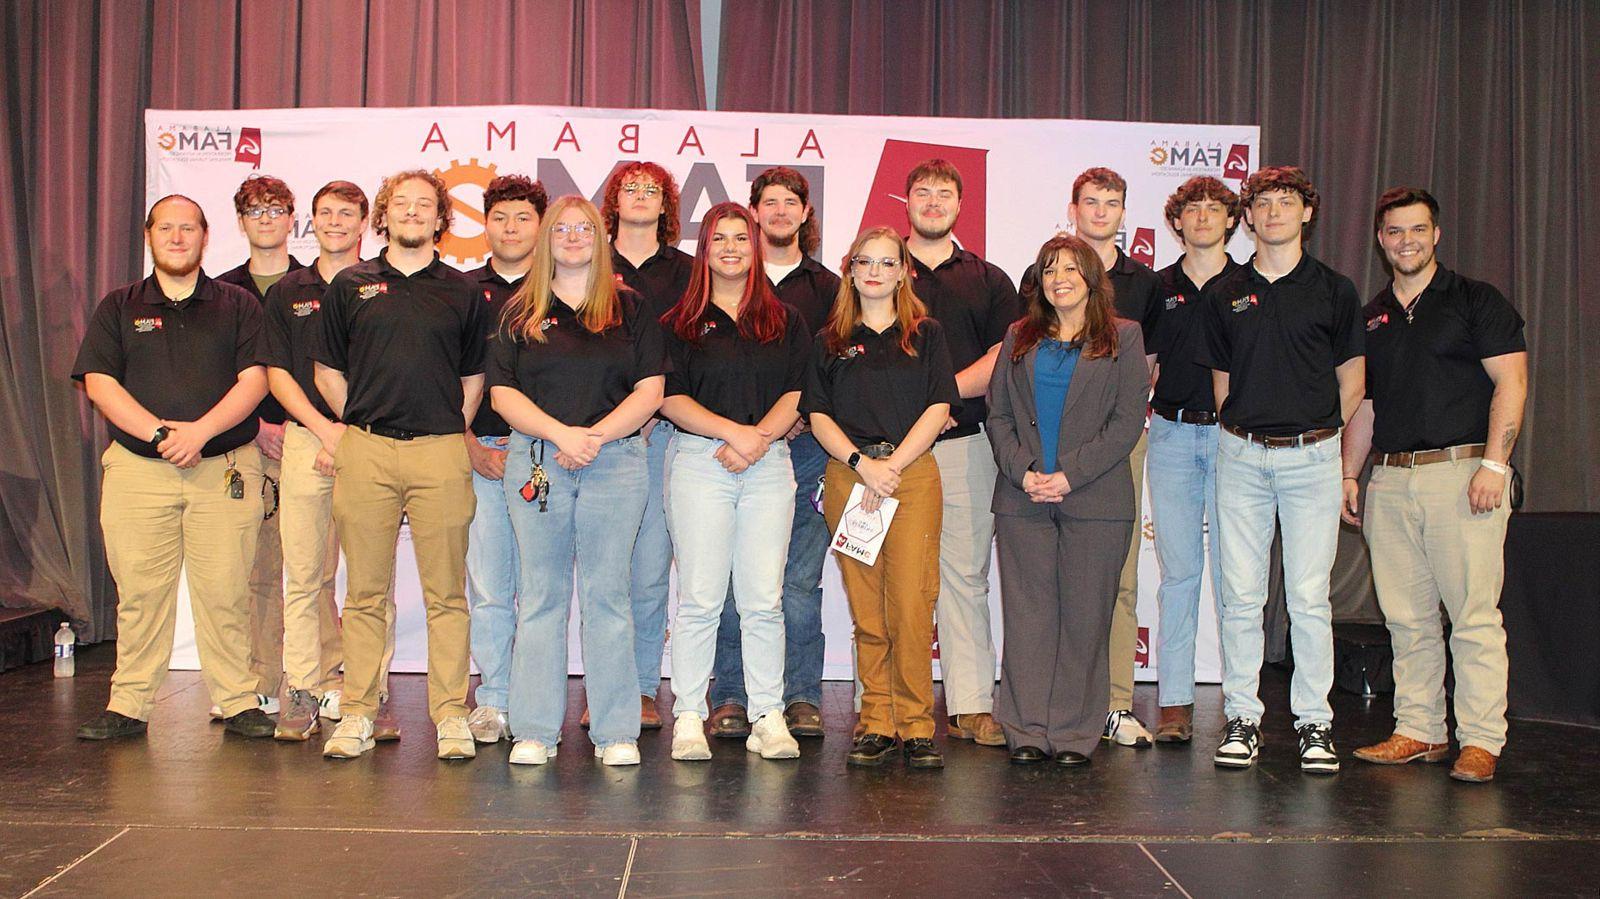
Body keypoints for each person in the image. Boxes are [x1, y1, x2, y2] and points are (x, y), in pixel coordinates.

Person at [1342, 188, 1527, 784]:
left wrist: (1494, 466)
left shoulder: (1475, 300)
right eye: (1395, 232)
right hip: (1392, 481)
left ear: (1436, 234)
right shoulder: (1373, 316)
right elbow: (1367, 405)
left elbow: (1513, 383)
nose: (1406, 241)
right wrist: (1350, 471)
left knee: (1473, 616)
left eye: (1417, 230)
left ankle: (1480, 739)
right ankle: (1420, 729)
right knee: (1407, 619)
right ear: (1381, 239)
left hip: (1464, 473)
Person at [73, 195, 274, 740]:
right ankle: (130, 705)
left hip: (224, 468)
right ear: (149, 235)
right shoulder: (118, 305)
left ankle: (236, 701)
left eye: (189, 228)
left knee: (227, 592)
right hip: (139, 471)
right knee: (139, 595)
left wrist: (200, 432)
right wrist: (161, 434)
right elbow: (99, 382)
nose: (178, 237)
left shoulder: (238, 304)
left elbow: (255, 379)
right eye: (168, 228)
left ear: (206, 236)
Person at [313, 169, 487, 761]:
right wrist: (364, 422)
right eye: (401, 204)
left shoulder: (464, 291)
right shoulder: (350, 285)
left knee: (447, 595)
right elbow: (328, 371)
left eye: (425, 204)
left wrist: (443, 427)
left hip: (440, 451)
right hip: (364, 450)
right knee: (363, 593)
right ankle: (358, 711)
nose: (413, 212)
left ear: (442, 218)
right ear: (384, 216)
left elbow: (473, 379)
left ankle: (451, 715)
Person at [488, 196, 668, 767]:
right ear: (546, 241)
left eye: (582, 228)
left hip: (615, 463)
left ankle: (615, 731)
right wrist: (562, 436)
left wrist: (593, 438)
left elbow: (651, 391)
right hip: (539, 459)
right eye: (560, 229)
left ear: (600, 237)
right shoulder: (519, 310)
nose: (571, 237)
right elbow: (502, 394)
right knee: (540, 597)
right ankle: (535, 730)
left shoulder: (631, 307)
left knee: (608, 595)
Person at [1197, 166, 1364, 774]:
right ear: (1248, 216)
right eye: (1262, 202)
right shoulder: (1225, 291)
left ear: (1306, 213)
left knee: (1308, 597)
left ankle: (1314, 723)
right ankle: (1243, 717)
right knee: (1240, 597)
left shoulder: (1335, 290)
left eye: (1285, 201)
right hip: (1240, 455)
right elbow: (1222, 379)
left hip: (1312, 458)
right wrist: (1245, 431)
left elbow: (1353, 380)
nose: (1272, 212)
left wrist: (1317, 437)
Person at [988, 233, 1149, 766]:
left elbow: (1127, 422)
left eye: (1071, 270)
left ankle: (1075, 734)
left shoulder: (1124, 337)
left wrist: (1069, 475)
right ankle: (1027, 729)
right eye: (1050, 269)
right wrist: (1026, 470)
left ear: (1091, 280)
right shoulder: (1019, 336)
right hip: (1024, 496)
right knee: (1029, 617)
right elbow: (999, 415)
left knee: (1086, 619)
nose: (1060, 279)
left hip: (1096, 499)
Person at [802, 226, 959, 769]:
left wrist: (890, 467)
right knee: (868, 610)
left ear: (902, 272)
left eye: (886, 263)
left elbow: (940, 406)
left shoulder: (928, 333)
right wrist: (861, 465)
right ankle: (876, 720)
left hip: (910, 474)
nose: (874, 271)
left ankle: (916, 725)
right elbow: (817, 414)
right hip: (851, 475)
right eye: (864, 262)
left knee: (912, 604)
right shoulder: (829, 339)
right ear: (850, 269)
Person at [659, 202, 810, 762]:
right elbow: (670, 397)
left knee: (762, 601)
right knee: (699, 599)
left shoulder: (785, 319)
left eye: (740, 239)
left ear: (756, 246)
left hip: (768, 466)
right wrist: (734, 435)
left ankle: (768, 713)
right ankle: (689, 716)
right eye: (718, 238)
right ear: (705, 249)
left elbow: (799, 389)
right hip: (701, 463)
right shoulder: (677, 322)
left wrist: (759, 439)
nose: (730, 248)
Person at [1020, 167, 1162, 748]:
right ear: (1072, 207)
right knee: (1047, 592)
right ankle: (1052, 709)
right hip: (1041, 458)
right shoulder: (1038, 275)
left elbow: (1145, 379)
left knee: (1115, 581)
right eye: (1090, 202)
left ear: (1125, 212)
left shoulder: (1147, 284)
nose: (1101, 211)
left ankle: (1115, 704)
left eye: (1113, 203)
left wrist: (1082, 463)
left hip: (1112, 448)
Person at [262, 180, 402, 741]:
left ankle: (372, 691)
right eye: (326, 213)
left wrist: (349, 435)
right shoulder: (287, 291)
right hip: (304, 438)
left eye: (347, 213)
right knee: (304, 574)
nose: (336, 222)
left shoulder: (384, 285)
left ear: (365, 222)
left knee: (373, 579)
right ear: (310, 221)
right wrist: (323, 431)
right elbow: (276, 372)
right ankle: (303, 686)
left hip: (369, 439)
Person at [710, 166, 841, 738]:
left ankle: (801, 696)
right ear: (753, 213)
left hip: (809, 447)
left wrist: (791, 423)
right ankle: (732, 694)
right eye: (770, 202)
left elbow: (833, 367)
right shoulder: (731, 278)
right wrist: (758, 433)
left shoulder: (831, 288)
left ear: (806, 214)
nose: (780, 211)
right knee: (736, 580)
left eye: (792, 202)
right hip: (732, 448)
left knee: (797, 580)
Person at [902, 159, 1022, 750]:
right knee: (888, 578)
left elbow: (1006, 352)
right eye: (921, 193)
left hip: (962, 444)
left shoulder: (990, 278)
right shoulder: (875, 266)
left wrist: (940, 401)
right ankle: (892, 706)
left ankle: (972, 705)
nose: (931, 202)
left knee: (965, 576)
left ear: (959, 205)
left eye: (943, 194)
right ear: (904, 202)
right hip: (886, 455)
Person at [1144, 176, 1243, 743]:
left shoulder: (1253, 284)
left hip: (1236, 440)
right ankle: (1176, 702)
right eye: (1192, 209)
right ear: (1176, 221)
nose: (1203, 216)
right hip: (1174, 435)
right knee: (1179, 574)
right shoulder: (1159, 287)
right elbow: (1145, 364)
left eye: (1214, 208)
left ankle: (1241, 704)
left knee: (1237, 578)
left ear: (1232, 220)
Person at [602, 162, 692, 731]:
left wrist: (660, 413)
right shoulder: (587, 259)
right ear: (613, 202)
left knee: (651, 570)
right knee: (603, 573)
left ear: (666, 206)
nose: (640, 197)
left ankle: (637, 689)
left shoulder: (689, 271)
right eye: (629, 188)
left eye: (651, 190)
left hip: (666, 435)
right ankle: (604, 688)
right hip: (601, 438)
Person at [216, 173, 306, 718]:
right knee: (255, 570)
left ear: (294, 218)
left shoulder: (318, 285)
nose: (267, 219)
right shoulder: (221, 290)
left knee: (314, 572)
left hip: (311, 440)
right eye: (256, 211)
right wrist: (255, 427)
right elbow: (214, 373)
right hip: (247, 446)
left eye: (276, 209)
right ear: (241, 221)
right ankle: (260, 680)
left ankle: (319, 680)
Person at [463, 174, 549, 745]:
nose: (511, 227)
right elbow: (446, 377)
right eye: (501, 217)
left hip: (548, 457)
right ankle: (493, 699)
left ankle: (537, 702)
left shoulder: (565, 289)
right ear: (485, 223)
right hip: (483, 453)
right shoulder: (463, 291)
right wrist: (466, 443)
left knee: (544, 592)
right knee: (491, 587)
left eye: (523, 218)